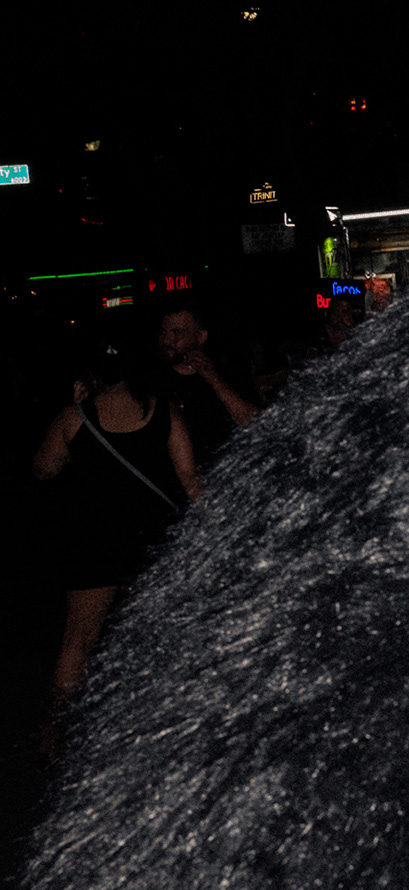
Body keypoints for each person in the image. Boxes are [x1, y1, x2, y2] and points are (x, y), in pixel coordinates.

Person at [31, 338, 201, 706]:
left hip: (93, 541)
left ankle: (57, 727)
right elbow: (190, 479)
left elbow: (44, 468)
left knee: (79, 639)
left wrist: (75, 408)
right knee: (161, 632)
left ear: (91, 375)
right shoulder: (163, 409)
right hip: (152, 537)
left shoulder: (73, 417)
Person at [156, 301, 259, 460]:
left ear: (201, 337)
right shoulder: (151, 380)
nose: (167, 340)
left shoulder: (228, 372)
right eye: (163, 332)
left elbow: (255, 423)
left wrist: (214, 379)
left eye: (177, 332)